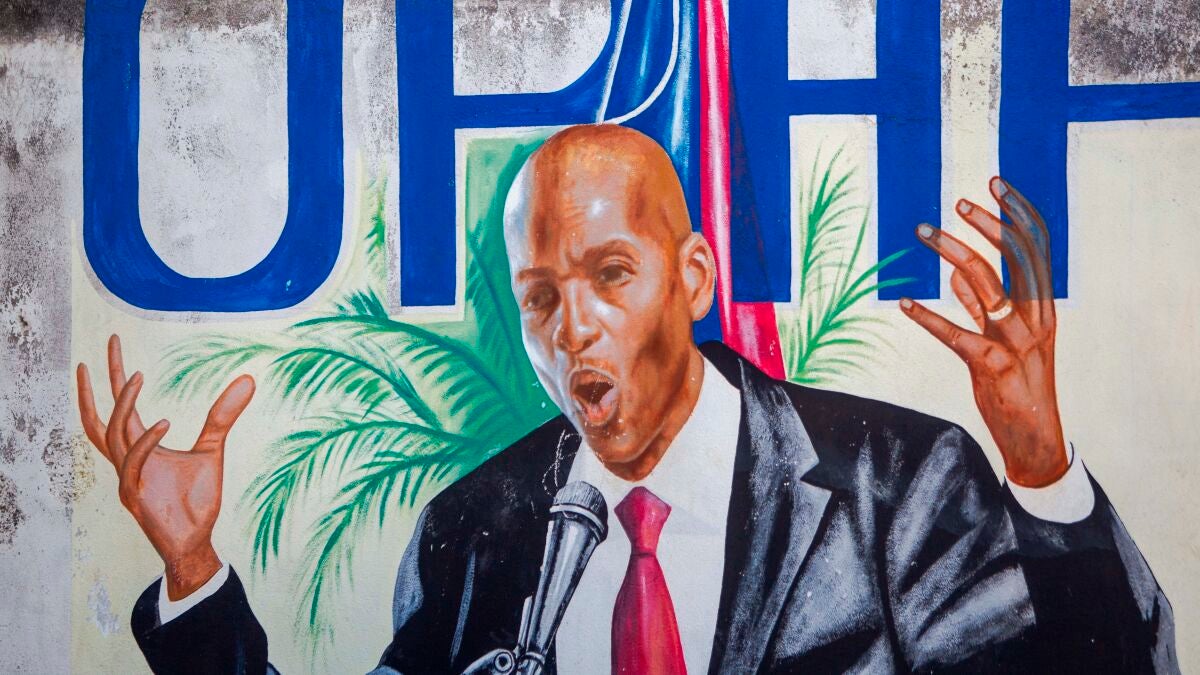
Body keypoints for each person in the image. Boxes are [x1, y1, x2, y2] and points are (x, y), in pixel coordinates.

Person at [77, 124, 1175, 674]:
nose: (573, 329)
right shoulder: (472, 532)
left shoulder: (898, 483)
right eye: (540, 297)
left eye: (611, 275)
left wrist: (1040, 468)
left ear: (692, 278)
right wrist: (194, 571)